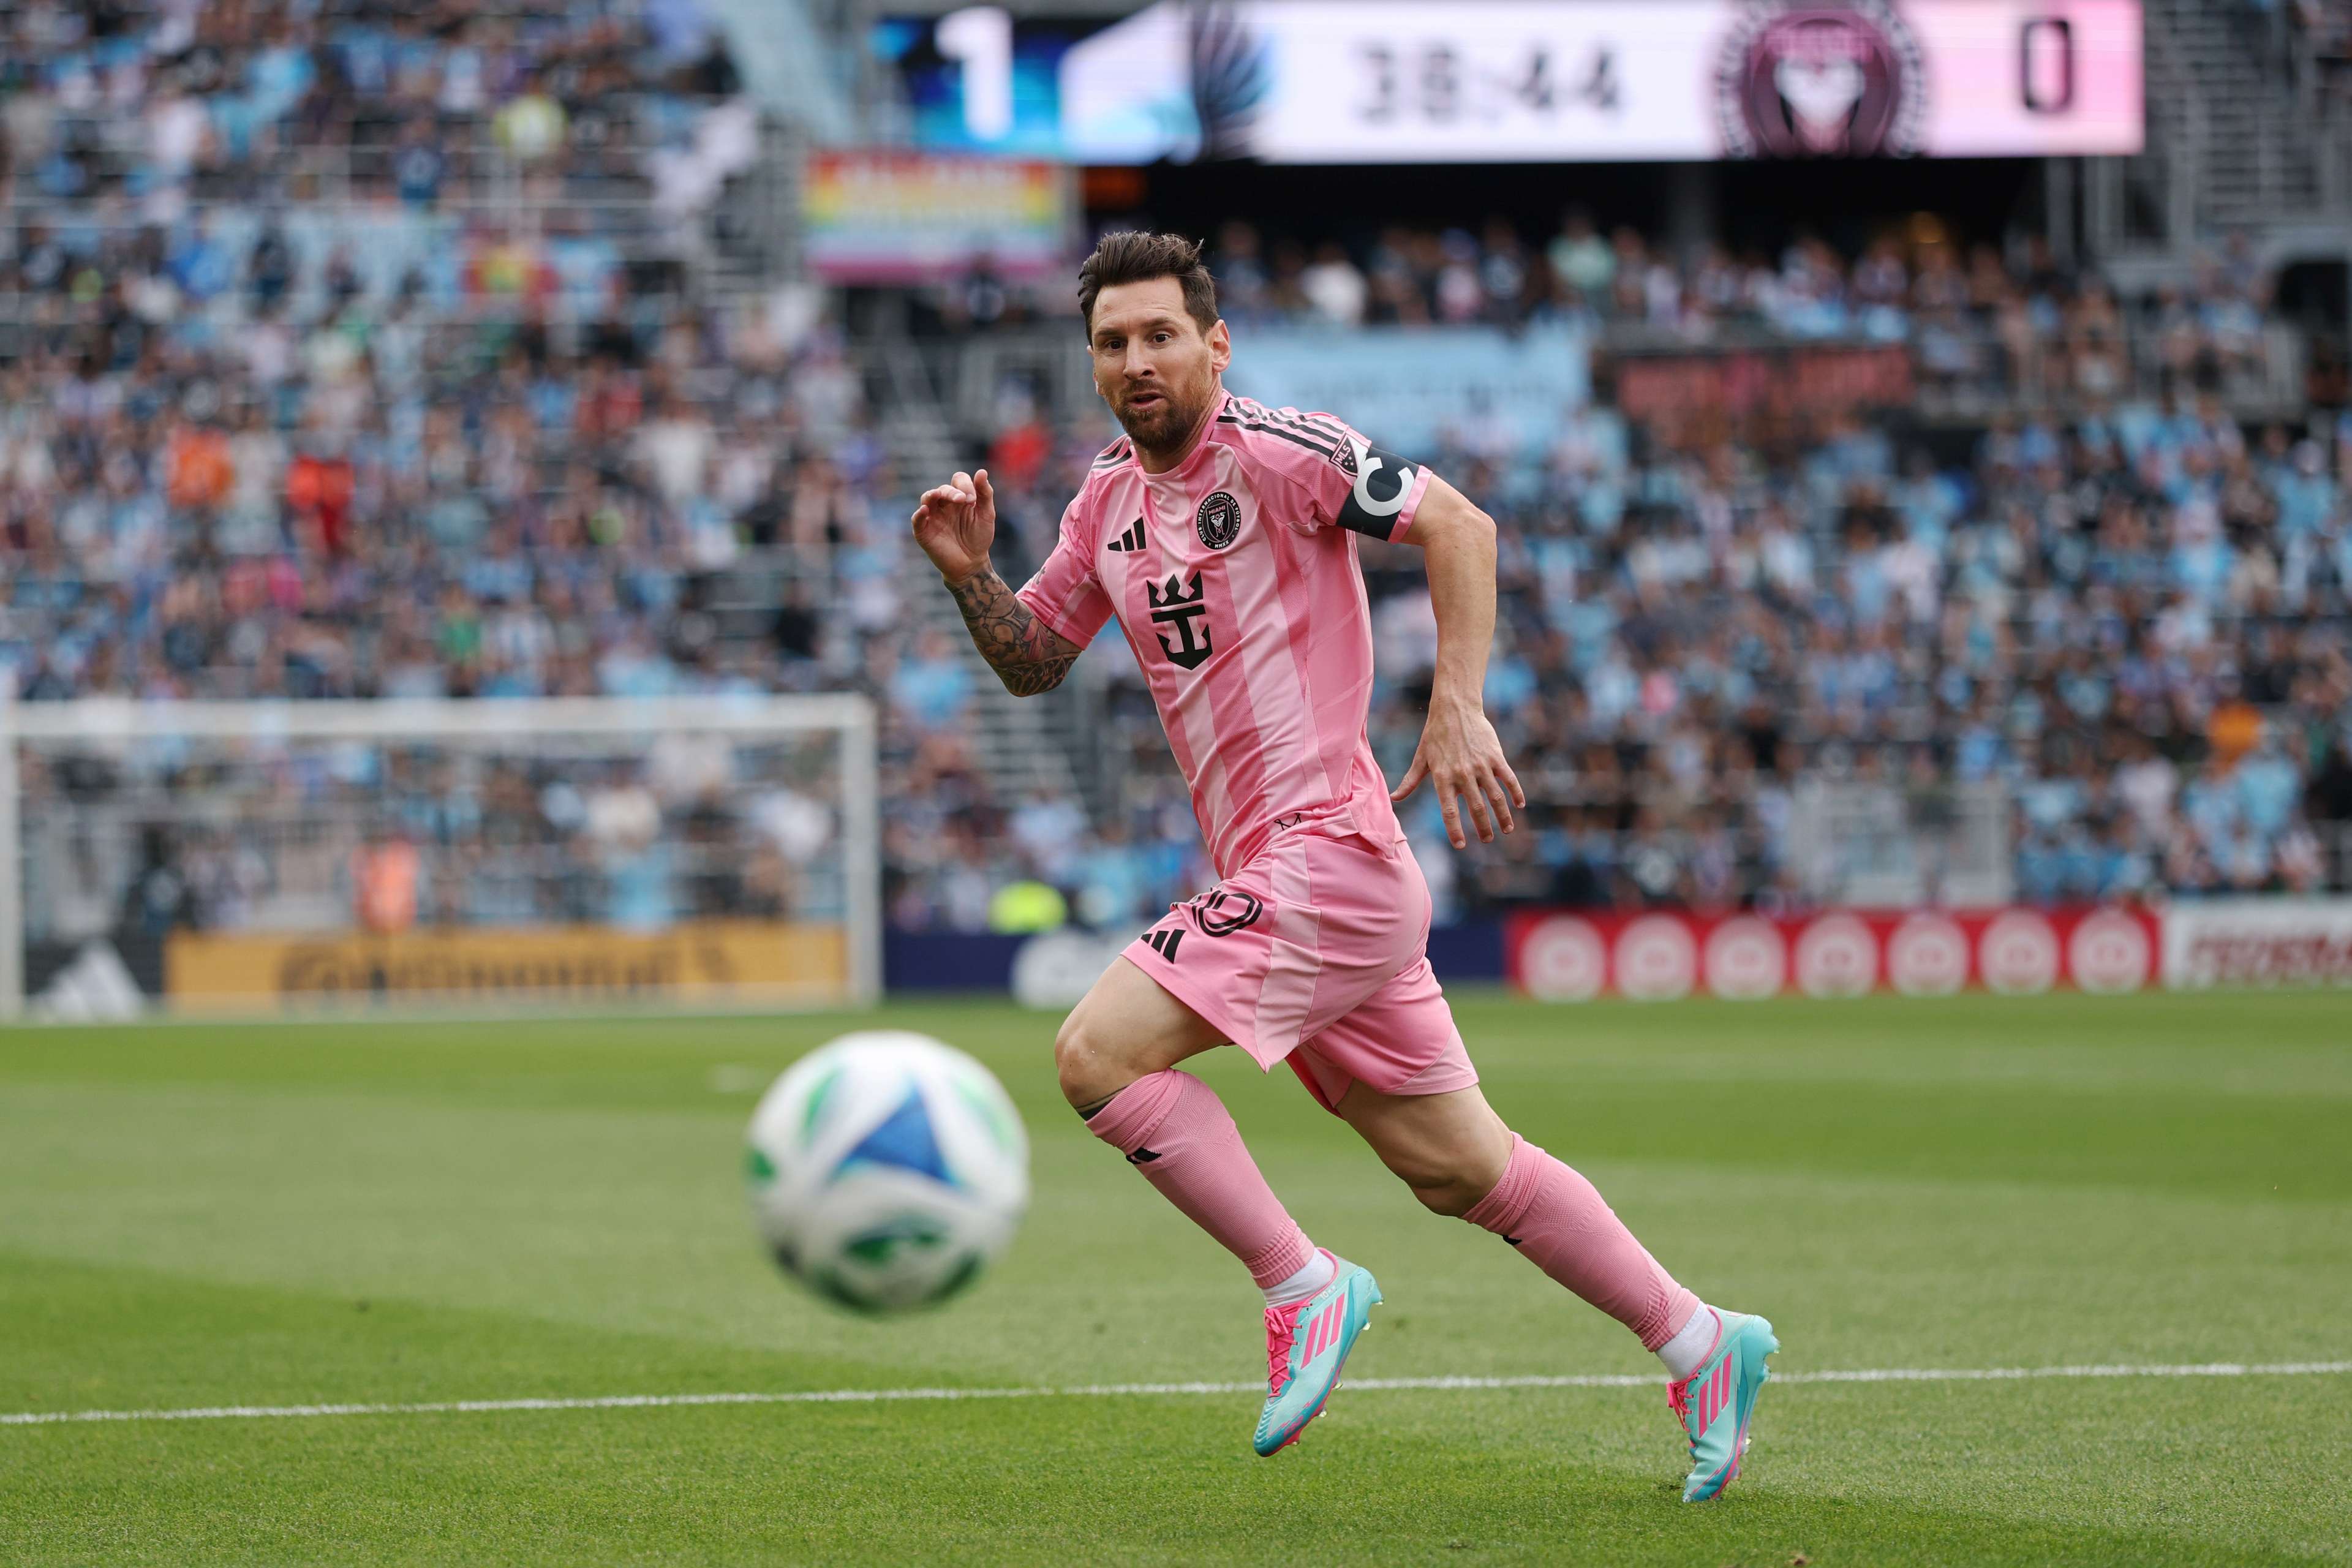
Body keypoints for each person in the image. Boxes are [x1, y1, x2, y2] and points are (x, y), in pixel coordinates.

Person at [909, 232, 1776, 1501]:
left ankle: (1304, 1282)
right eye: (1112, 342)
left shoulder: (1278, 449)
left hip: (1331, 852)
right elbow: (1039, 656)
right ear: (1092, 364)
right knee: (1459, 1168)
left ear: (1215, 344)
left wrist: (1460, 701)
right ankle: (1703, 1337)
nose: (1137, 360)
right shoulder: (1104, 500)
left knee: (1095, 1053)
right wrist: (971, 574)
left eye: (1161, 334)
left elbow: (1459, 524)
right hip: (1299, 880)